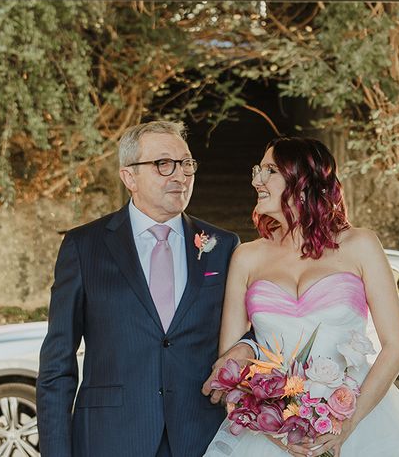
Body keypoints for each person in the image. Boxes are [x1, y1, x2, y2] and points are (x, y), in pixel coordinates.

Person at [203, 136, 399, 457]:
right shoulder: (247, 257)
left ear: (302, 182)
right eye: (259, 170)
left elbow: (396, 345)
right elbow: (230, 365)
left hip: (360, 423)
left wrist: (346, 424)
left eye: (269, 170)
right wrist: (279, 436)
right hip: (269, 434)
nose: (257, 180)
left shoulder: (360, 245)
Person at [36, 120, 254, 457]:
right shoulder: (84, 247)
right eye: (163, 164)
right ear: (129, 177)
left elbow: (256, 326)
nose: (180, 175)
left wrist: (245, 348)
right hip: (109, 440)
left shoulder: (223, 246)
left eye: (186, 164)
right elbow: (57, 365)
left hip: (200, 438)